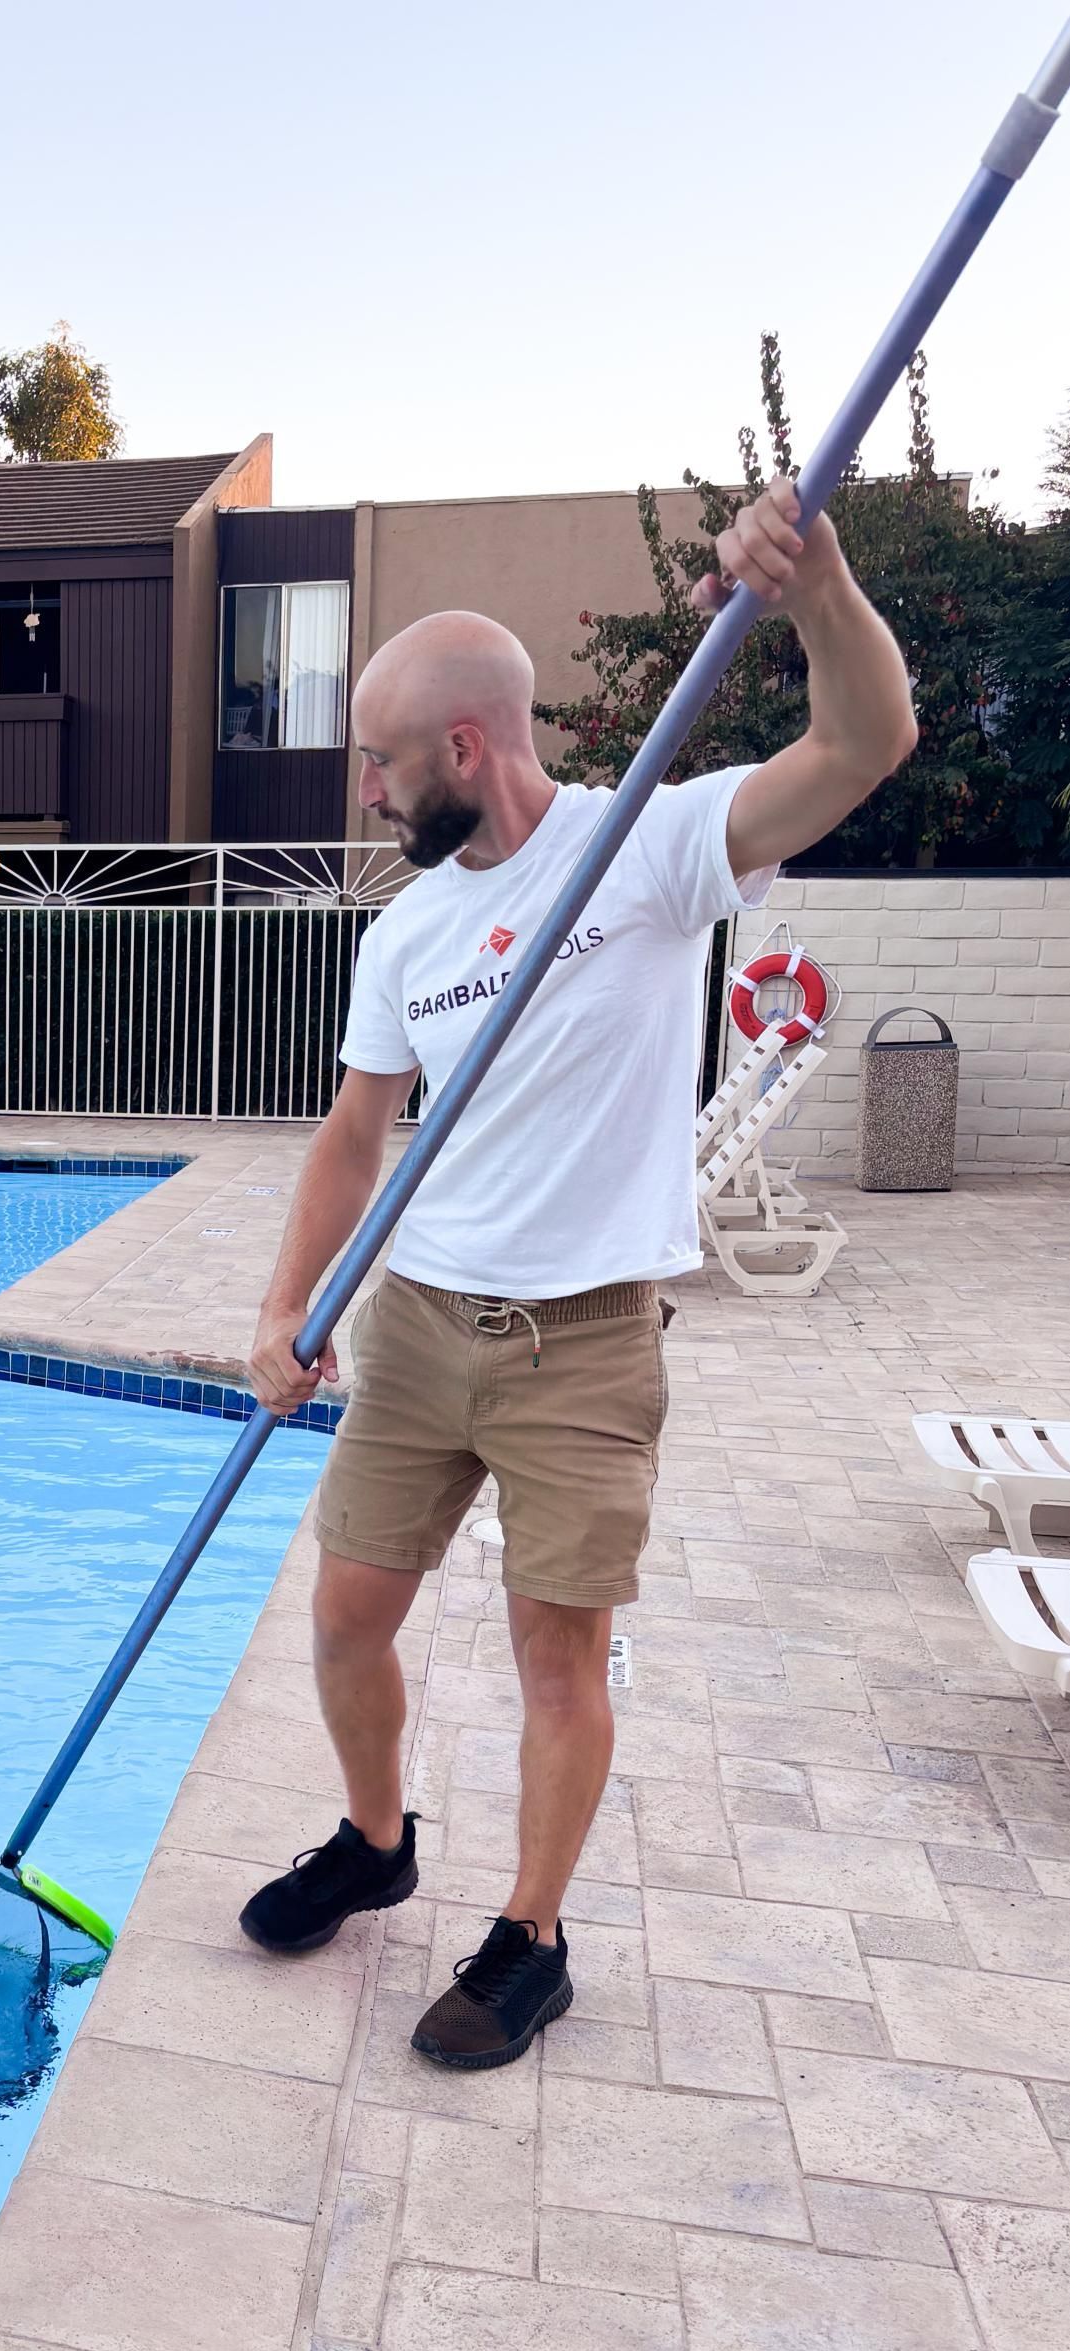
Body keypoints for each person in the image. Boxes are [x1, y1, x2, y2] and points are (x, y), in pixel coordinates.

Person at [239, 477, 917, 2070]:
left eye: (383, 766)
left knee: (559, 1660)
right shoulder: (401, 937)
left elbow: (861, 744)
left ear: (463, 751)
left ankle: (529, 1941)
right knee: (344, 1621)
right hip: (413, 1326)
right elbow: (354, 1138)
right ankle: (373, 1839)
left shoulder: (650, 850)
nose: (368, 795)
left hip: (583, 1342)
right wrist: (285, 1309)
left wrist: (814, 587)